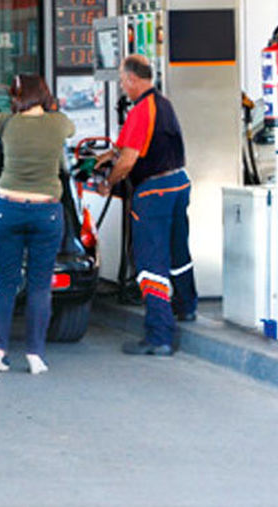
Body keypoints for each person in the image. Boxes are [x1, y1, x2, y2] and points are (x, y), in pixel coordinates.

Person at [0, 74, 74, 375]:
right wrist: (51, 110)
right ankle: (35, 355)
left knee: (5, 283)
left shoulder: (7, 122)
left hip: (7, 210)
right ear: (45, 95)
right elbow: (71, 129)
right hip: (45, 213)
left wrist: (2, 117)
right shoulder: (59, 122)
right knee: (39, 286)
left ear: (16, 97)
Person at [97, 54, 195, 356]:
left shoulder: (141, 110)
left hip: (153, 192)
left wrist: (108, 181)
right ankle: (186, 306)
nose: (123, 87)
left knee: (150, 262)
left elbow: (127, 161)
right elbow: (132, 147)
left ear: (131, 79)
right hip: (179, 183)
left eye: (123, 81)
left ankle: (159, 335)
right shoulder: (163, 104)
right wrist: (111, 155)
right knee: (178, 251)